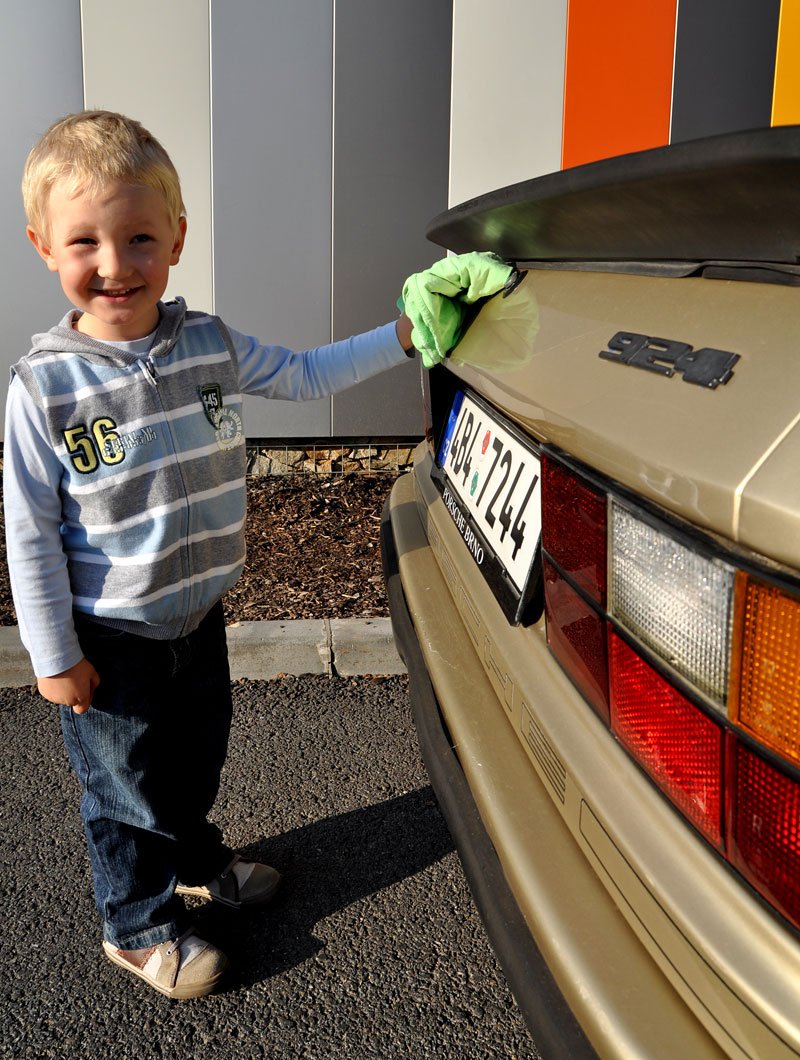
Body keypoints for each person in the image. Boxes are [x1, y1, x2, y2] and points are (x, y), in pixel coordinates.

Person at [4, 110, 419, 1000]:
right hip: (108, 636)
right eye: (86, 242)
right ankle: (137, 923)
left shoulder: (210, 345)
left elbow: (306, 374)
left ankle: (196, 860)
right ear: (44, 247)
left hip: (199, 615)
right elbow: (30, 528)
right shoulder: (47, 386)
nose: (115, 264)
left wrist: (403, 337)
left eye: (140, 237)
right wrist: (53, 656)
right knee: (122, 788)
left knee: (194, 757)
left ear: (178, 238)